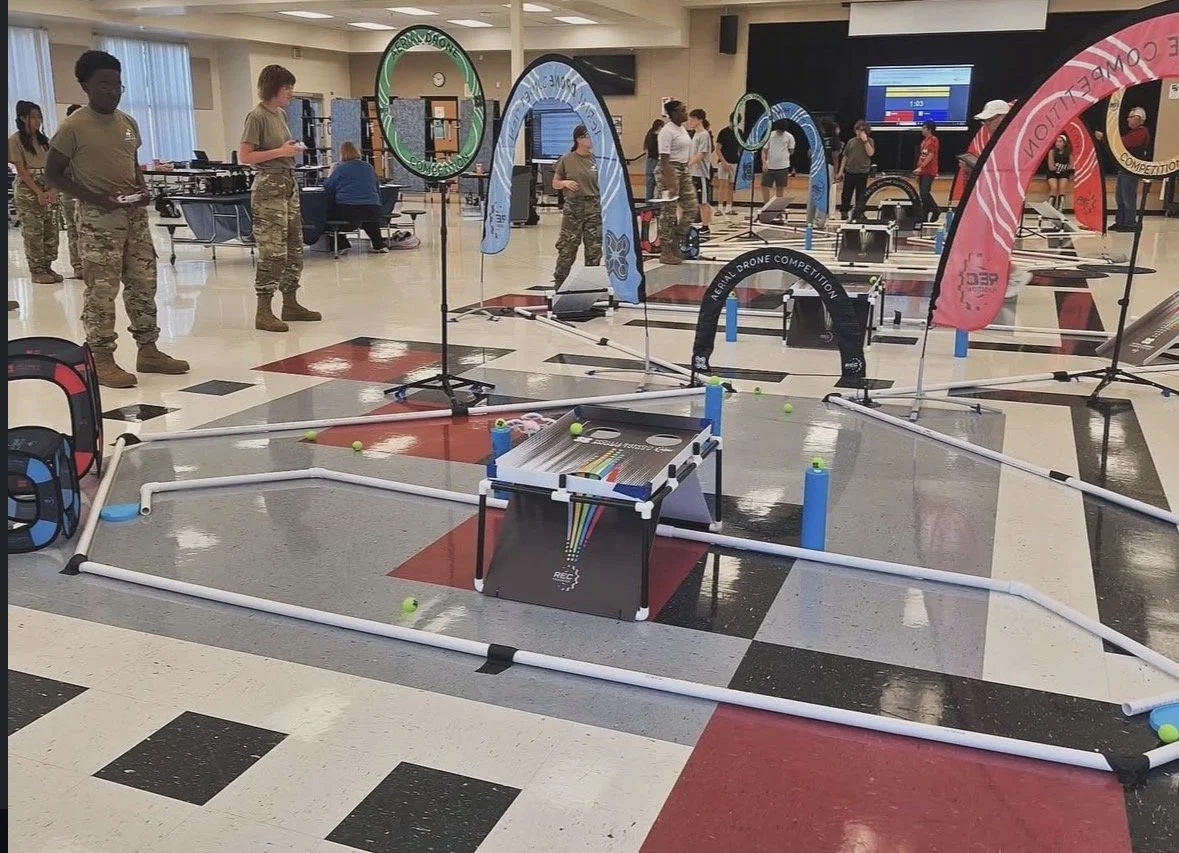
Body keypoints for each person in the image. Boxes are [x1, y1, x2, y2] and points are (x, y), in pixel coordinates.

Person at [45, 51, 189, 388]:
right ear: (85, 86)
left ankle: (149, 349)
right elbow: (53, 174)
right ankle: (102, 358)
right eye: (104, 84)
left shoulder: (127, 122)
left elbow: (132, 162)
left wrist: (142, 190)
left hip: (134, 218)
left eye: (117, 83)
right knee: (101, 291)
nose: (113, 90)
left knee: (143, 285)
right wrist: (97, 199)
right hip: (98, 222)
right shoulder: (73, 127)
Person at [238, 64, 320, 332]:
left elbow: (279, 148)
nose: (291, 94)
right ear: (274, 88)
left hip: (287, 182)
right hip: (268, 185)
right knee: (273, 251)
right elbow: (246, 156)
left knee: (294, 245)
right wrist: (280, 151)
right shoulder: (257, 116)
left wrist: (290, 149)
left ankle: (290, 301)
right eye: (287, 88)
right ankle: (264, 310)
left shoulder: (281, 115)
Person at [9, 100, 62, 284]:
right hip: (28, 188)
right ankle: (37, 270)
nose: (37, 121)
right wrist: (38, 192)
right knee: (34, 231)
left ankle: (48, 266)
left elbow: (53, 167)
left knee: (50, 230)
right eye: (33, 117)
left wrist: (51, 189)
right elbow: (21, 170)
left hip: (47, 184)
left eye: (39, 116)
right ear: (23, 118)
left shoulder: (44, 141)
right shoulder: (15, 140)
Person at [551, 124, 602, 286]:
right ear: (579, 139)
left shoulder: (597, 159)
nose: (592, 139)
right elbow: (555, 183)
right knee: (567, 247)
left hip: (594, 207)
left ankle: (590, 285)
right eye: (589, 135)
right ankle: (560, 282)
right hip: (573, 207)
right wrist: (565, 183)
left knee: (594, 248)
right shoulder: (567, 159)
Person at [324, 141, 388, 252]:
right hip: (373, 207)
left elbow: (329, 186)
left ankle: (342, 245)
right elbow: (376, 186)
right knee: (370, 220)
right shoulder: (368, 167)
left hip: (348, 208)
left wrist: (330, 173)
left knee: (327, 217)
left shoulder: (340, 169)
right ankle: (379, 244)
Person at [654, 100, 697, 266]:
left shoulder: (681, 128)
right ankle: (665, 251)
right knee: (668, 213)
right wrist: (670, 184)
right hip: (669, 170)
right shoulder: (667, 131)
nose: (686, 113)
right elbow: (664, 160)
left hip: (683, 169)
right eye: (682, 110)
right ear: (673, 114)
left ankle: (675, 242)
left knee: (692, 208)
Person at [1097, 106, 1151, 232]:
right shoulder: (1135, 132)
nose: (1128, 120)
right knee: (1120, 197)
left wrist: (1104, 138)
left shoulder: (1141, 132)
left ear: (1139, 119)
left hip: (1131, 170)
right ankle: (1120, 222)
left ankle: (1130, 223)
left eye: (1130, 117)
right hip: (1124, 169)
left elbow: (1122, 143)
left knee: (1128, 197)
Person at [60, 103, 85, 278]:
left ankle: (89, 263)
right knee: (73, 229)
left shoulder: (89, 139)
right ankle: (78, 265)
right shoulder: (63, 138)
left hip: (87, 190)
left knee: (88, 229)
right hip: (70, 190)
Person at [837, 120, 874, 221]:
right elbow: (845, 156)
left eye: (863, 130)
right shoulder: (851, 141)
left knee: (861, 194)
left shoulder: (870, 141)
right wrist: (840, 171)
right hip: (850, 171)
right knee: (846, 193)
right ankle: (844, 211)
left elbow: (870, 153)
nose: (860, 132)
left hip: (862, 172)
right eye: (858, 130)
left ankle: (859, 212)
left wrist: (865, 140)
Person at [688, 109, 713, 236]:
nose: (690, 121)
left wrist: (688, 164)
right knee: (694, 200)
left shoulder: (704, 134)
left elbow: (701, 154)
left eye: (693, 119)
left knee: (703, 201)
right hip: (693, 172)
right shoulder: (695, 135)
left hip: (701, 173)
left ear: (700, 120)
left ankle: (705, 226)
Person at [760, 119, 795, 203]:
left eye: (782, 130)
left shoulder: (789, 136)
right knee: (764, 186)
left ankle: (777, 208)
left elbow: (791, 151)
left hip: (783, 166)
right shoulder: (770, 135)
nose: (780, 132)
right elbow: (764, 150)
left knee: (780, 188)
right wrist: (764, 163)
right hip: (769, 165)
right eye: (779, 130)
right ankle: (766, 205)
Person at [913, 120, 941, 223]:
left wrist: (922, 167)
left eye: (924, 128)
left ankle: (936, 209)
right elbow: (922, 156)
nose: (922, 130)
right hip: (922, 171)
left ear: (929, 129)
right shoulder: (924, 141)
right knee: (922, 195)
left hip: (929, 171)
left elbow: (931, 155)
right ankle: (924, 217)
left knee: (925, 193)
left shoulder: (933, 140)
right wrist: (919, 169)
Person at [714, 121, 739, 216]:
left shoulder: (739, 133)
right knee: (722, 184)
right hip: (723, 162)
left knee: (731, 185)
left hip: (734, 162)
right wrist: (724, 162)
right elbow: (717, 149)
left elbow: (739, 148)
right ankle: (720, 208)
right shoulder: (723, 132)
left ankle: (729, 207)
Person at [1045, 134, 1073, 211]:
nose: (1057, 143)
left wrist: (1059, 167)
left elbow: (1071, 166)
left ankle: (1060, 208)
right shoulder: (1052, 152)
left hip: (1063, 173)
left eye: (1060, 141)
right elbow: (1051, 166)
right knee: (1054, 187)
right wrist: (1062, 167)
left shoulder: (1069, 153)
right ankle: (1050, 208)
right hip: (1052, 173)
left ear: (1064, 143)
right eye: (1056, 141)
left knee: (1062, 187)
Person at [642, 118, 663, 201]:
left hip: (649, 161)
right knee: (660, 184)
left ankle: (648, 206)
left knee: (649, 185)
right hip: (657, 160)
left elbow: (646, 149)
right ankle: (658, 205)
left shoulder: (649, 134)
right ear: (659, 127)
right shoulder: (659, 137)